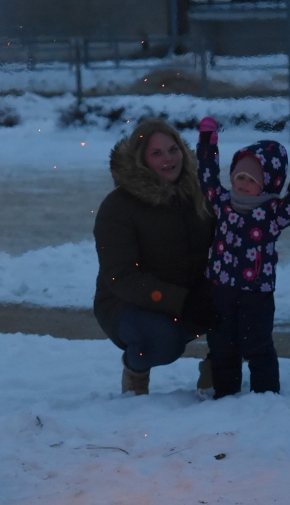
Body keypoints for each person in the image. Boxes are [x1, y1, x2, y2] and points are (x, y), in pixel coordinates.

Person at [93, 119, 217, 395]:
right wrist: (180, 301)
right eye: (157, 153)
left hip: (187, 296)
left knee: (243, 309)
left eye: (173, 150)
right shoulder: (118, 207)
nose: (168, 159)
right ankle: (135, 371)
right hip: (126, 305)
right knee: (160, 339)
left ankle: (217, 372)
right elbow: (120, 276)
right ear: (141, 159)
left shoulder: (199, 195)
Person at [196, 117, 290, 398]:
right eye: (239, 176)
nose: (242, 184)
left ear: (267, 184)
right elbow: (207, 178)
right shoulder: (223, 203)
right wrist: (207, 144)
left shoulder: (273, 213)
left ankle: (265, 396)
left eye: (251, 180)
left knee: (256, 344)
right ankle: (226, 394)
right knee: (222, 344)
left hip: (257, 293)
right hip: (221, 289)